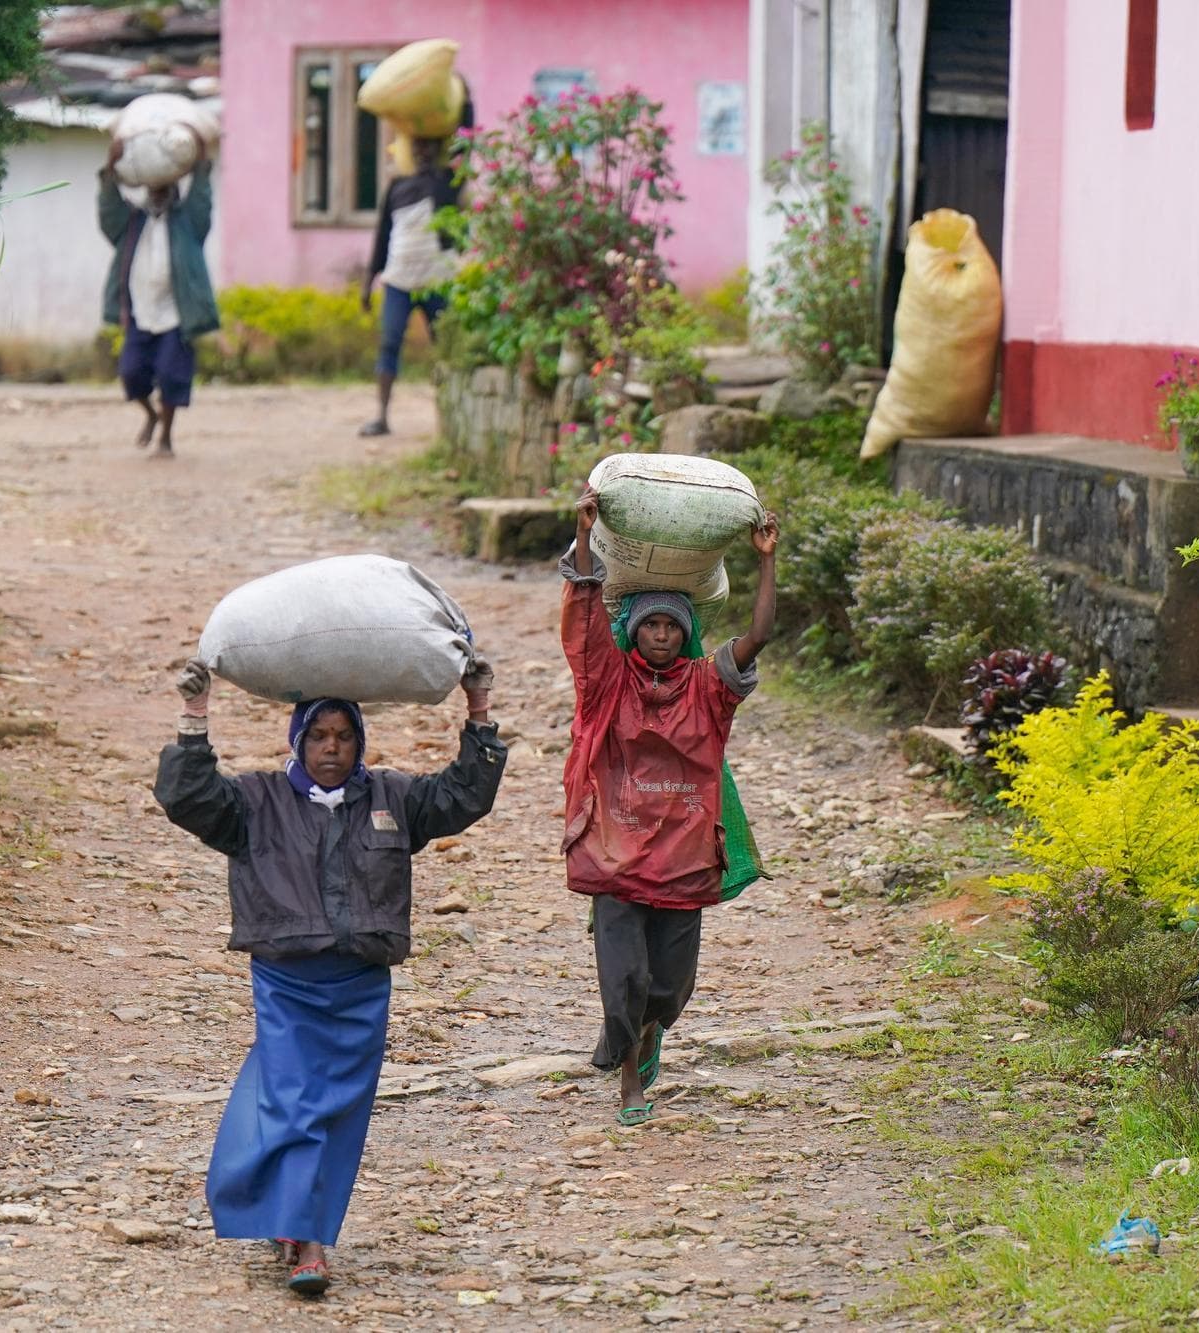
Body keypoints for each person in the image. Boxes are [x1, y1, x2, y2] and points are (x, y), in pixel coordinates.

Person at [153, 654, 506, 1297]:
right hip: (288, 982)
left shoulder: (395, 798)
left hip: (361, 987)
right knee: (293, 1101)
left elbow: (465, 794)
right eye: (319, 735)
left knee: (338, 1113)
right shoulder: (255, 801)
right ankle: (308, 1245)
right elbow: (187, 796)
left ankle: (292, 1218)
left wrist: (478, 708)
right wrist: (194, 718)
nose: (332, 748)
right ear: (298, 740)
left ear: (360, 744)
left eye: (344, 736)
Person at [560, 487, 779, 1125]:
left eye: (670, 626)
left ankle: (652, 1034)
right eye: (649, 624)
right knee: (624, 975)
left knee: (671, 983)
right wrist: (584, 534)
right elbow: (582, 614)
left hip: (684, 853)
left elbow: (759, 633)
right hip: (615, 850)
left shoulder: (710, 687)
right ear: (631, 629)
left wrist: (766, 558)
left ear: (685, 634)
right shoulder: (607, 681)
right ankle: (631, 1079)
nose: (659, 635)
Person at [98, 136, 219, 455]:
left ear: (174, 192)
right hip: (140, 313)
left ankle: (166, 436)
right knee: (130, 373)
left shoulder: (189, 223)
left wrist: (201, 160)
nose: (159, 194)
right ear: (147, 192)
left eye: (165, 189)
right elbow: (108, 210)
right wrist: (111, 167)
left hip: (176, 316)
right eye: (154, 190)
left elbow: (202, 199)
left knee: (171, 375)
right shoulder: (131, 223)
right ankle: (151, 415)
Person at [358, 134, 462, 438]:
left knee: (446, 347)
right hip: (399, 279)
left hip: (437, 279)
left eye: (430, 145)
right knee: (389, 343)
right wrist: (368, 282)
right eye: (418, 145)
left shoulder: (447, 182)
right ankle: (382, 416)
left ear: (439, 149)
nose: (423, 151)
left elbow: (465, 137)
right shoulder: (397, 186)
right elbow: (382, 236)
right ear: (409, 150)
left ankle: (450, 420)